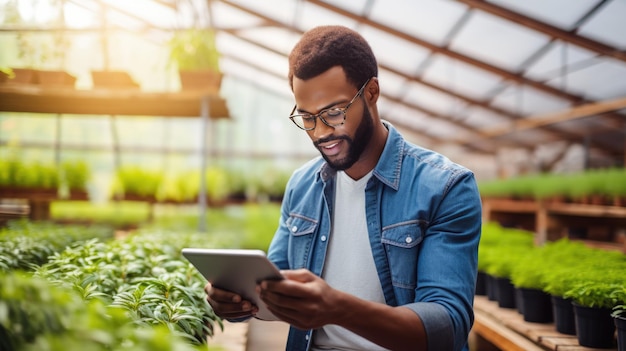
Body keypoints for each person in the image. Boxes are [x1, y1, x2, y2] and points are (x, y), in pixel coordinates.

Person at [205, 25, 482, 351]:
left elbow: (446, 324)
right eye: (307, 117)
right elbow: (274, 286)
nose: (321, 132)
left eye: (334, 113)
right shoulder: (302, 186)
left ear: (371, 93)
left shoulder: (445, 187)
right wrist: (237, 302)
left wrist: (338, 308)